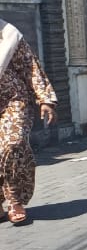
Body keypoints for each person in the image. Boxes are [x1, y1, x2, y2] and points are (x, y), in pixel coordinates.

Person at [0, 19, 58, 226]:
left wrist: (45, 99)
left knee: (13, 144)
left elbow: (30, 67)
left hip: (13, 100)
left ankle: (15, 200)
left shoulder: (10, 35)